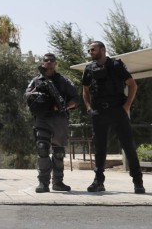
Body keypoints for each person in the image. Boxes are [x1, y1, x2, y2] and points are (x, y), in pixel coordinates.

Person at [82, 41, 145, 194]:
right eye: (89, 50)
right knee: (100, 148)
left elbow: (132, 85)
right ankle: (98, 181)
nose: (90, 52)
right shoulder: (89, 68)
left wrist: (126, 107)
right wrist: (89, 108)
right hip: (98, 112)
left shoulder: (116, 65)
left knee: (128, 146)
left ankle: (138, 182)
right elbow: (85, 90)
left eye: (93, 49)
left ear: (103, 50)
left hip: (117, 110)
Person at [25, 53, 78, 193]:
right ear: (42, 63)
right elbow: (27, 96)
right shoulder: (36, 81)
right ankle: (43, 182)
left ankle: (58, 182)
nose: (48, 62)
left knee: (59, 152)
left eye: (51, 60)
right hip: (42, 118)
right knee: (42, 148)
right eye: (46, 60)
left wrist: (64, 106)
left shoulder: (63, 81)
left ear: (56, 63)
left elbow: (75, 99)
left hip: (59, 118)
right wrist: (37, 93)